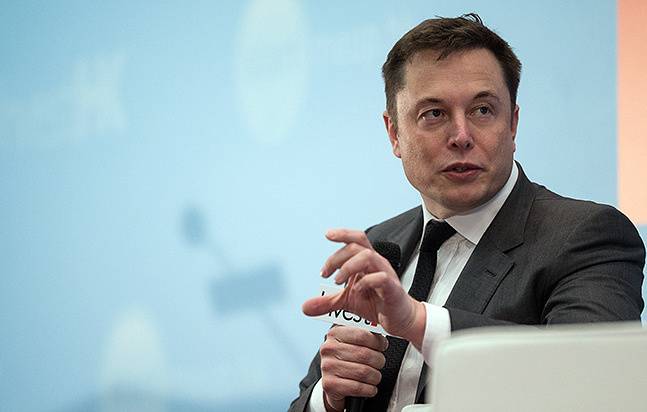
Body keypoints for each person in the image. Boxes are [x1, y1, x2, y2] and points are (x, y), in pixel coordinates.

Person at [289, 13, 645, 412]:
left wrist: (417, 321)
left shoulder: (585, 236)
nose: (461, 136)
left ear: (513, 124)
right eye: (434, 114)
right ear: (394, 134)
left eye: (482, 110)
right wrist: (328, 397)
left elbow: (592, 383)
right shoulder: (381, 244)